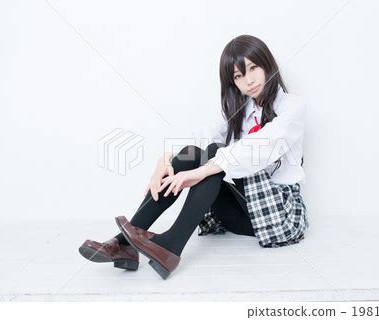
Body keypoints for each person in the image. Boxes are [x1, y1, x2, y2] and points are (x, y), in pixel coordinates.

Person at [78, 34, 309, 280]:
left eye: (253, 68)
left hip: (277, 217)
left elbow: (260, 146)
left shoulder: (292, 107)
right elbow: (199, 138)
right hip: (240, 214)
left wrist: (201, 170)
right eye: (238, 76)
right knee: (199, 153)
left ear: (267, 64)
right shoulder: (240, 108)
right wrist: (164, 160)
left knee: (212, 155)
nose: (248, 80)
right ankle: (124, 244)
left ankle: (171, 244)